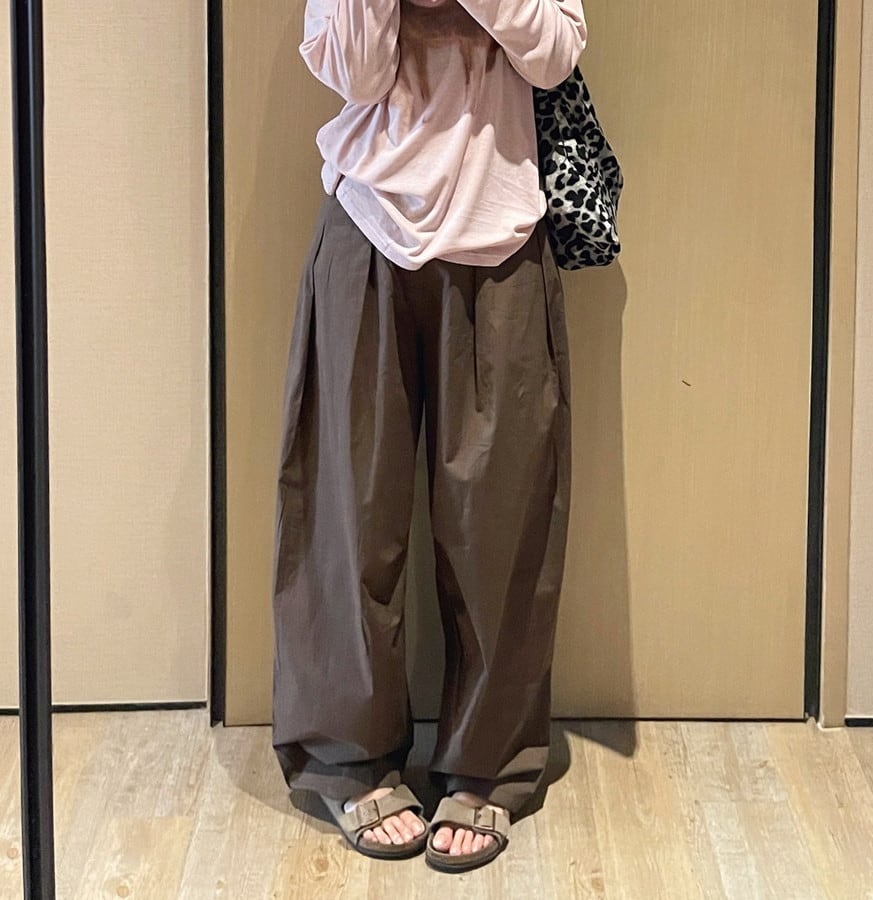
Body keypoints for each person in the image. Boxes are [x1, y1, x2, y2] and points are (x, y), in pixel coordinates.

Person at [270, 0, 586, 873]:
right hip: (366, 224)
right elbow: (355, 71)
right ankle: (348, 758)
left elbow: (555, 53)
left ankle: (488, 764)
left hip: (502, 236)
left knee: (501, 524)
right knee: (348, 513)